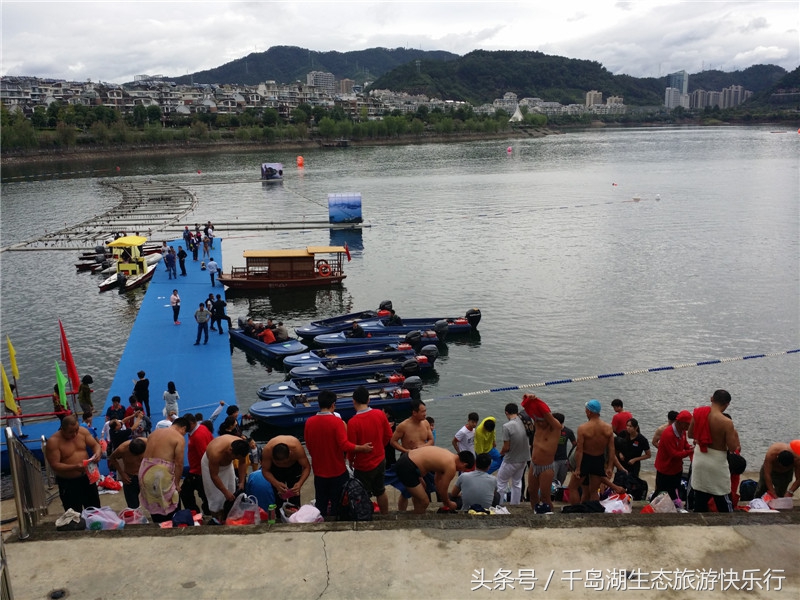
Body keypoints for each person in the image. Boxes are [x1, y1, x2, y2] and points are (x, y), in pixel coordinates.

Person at [304, 390, 372, 518]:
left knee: (321, 502)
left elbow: (309, 446)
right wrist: (361, 448)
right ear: (333, 405)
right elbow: (345, 445)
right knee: (338, 503)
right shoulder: (337, 422)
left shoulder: (309, 422)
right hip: (337, 470)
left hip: (319, 471)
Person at [688, 390, 739, 512]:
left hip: (700, 458)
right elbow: (733, 448)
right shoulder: (727, 422)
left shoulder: (698, 413)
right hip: (717, 461)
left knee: (700, 495)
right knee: (722, 495)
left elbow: (690, 434)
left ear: (711, 399)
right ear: (727, 404)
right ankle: (727, 524)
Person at [347, 386, 394, 514]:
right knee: (380, 490)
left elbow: (352, 446)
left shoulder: (352, 422)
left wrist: (350, 460)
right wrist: (380, 446)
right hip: (380, 459)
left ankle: (365, 515)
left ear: (354, 401)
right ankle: (385, 515)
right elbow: (389, 435)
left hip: (363, 465)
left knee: (363, 493)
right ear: (368, 400)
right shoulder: (380, 414)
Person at [45, 415, 102, 512]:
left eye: (76, 430)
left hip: (87, 477)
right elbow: (55, 465)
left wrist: (97, 453)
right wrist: (74, 467)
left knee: (94, 508)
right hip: (69, 482)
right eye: (71, 432)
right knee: (74, 513)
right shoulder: (54, 442)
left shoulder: (83, 432)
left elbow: (95, 445)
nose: (75, 434)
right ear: (62, 429)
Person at [395, 446, 474, 513]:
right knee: (424, 502)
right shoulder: (451, 467)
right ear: (464, 464)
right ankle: (413, 521)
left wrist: (444, 499)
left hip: (407, 458)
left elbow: (437, 480)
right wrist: (448, 503)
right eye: (463, 469)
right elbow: (443, 489)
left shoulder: (448, 455)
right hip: (408, 466)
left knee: (422, 489)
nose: (460, 470)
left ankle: (417, 513)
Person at [138, 417, 188, 523]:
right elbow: (179, 463)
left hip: (144, 470)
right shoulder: (179, 438)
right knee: (171, 501)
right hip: (160, 472)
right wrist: (177, 483)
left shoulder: (154, 433)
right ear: (183, 428)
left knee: (154, 502)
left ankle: (158, 525)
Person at [390, 398, 434, 511]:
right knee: (406, 491)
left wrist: (422, 447)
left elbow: (431, 440)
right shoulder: (403, 426)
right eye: (422, 411)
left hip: (423, 460)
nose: (425, 414)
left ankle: (417, 510)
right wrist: (406, 451)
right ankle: (401, 512)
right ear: (414, 412)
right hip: (408, 461)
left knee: (421, 489)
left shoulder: (425, 423)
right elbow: (393, 441)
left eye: (425, 410)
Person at [521, 394, 563, 513]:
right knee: (532, 492)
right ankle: (535, 512)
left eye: (542, 420)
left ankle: (549, 514)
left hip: (546, 467)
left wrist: (538, 400)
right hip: (534, 465)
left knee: (545, 496)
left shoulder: (555, 429)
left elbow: (545, 413)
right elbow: (533, 411)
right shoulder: (538, 425)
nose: (539, 421)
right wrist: (529, 399)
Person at [575, 399, 616, 503]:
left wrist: (578, 468)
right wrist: (610, 466)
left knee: (573, 488)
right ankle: (594, 511)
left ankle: (575, 509)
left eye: (586, 410)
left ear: (589, 411)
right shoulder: (608, 428)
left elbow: (579, 450)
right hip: (599, 459)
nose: (585, 412)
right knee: (593, 491)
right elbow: (611, 449)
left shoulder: (583, 428)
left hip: (586, 458)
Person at [201, 434, 250, 521]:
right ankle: (216, 517)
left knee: (232, 491)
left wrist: (242, 481)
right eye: (235, 458)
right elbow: (214, 476)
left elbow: (242, 463)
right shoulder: (215, 452)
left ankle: (228, 515)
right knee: (215, 497)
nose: (237, 459)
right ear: (230, 450)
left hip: (227, 466)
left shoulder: (242, 446)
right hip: (210, 466)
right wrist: (225, 492)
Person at [260, 435, 311, 507]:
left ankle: (294, 513)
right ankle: (280, 514)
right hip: (276, 470)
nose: (283, 465)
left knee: (294, 494)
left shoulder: (296, 449)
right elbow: (265, 470)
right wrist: (276, 483)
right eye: (279, 463)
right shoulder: (267, 451)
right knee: (279, 495)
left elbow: (307, 467)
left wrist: (300, 483)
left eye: (285, 462)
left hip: (294, 468)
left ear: (290, 453)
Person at [653, 410, 694, 501]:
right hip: (665, 469)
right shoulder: (668, 434)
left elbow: (685, 444)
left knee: (675, 490)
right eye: (687, 424)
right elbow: (674, 454)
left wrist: (690, 447)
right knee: (660, 491)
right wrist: (690, 451)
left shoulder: (682, 431)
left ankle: (674, 506)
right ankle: (651, 508)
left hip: (676, 468)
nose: (688, 427)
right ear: (679, 423)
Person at [178, 413, 213, 515]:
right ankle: (205, 511)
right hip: (198, 469)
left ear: (192, 423)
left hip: (198, 471)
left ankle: (196, 512)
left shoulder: (198, 436)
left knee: (186, 492)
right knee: (203, 494)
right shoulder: (201, 429)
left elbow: (204, 455)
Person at [495, 402, 529, 506]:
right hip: (524, 459)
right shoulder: (524, 422)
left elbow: (506, 447)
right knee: (517, 483)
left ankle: (499, 505)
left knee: (500, 483)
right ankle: (515, 504)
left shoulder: (507, 426)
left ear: (506, 412)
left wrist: (500, 454)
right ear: (517, 412)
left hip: (511, 460)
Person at [109, 437, 147, 508]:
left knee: (153, 504)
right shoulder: (122, 449)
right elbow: (112, 458)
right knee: (132, 505)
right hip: (130, 477)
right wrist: (122, 474)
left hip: (146, 477)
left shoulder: (149, 444)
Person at [552, 412, 576, 486]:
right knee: (553, 481)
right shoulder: (550, 430)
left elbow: (575, 444)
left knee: (561, 480)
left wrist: (569, 458)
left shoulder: (568, 431)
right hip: (552, 460)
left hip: (563, 460)